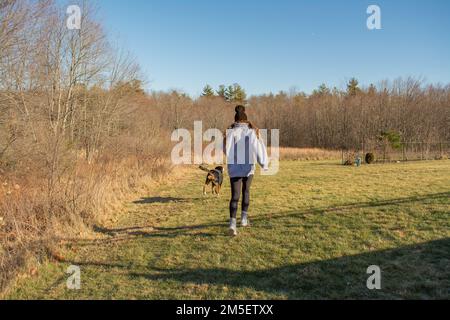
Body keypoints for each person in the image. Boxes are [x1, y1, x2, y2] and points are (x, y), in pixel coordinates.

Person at [224, 105, 269, 236]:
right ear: (245, 119)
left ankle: (232, 224)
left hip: (234, 168)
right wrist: (264, 163)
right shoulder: (252, 132)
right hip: (249, 167)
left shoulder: (230, 132)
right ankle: (243, 219)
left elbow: (225, 150)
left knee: (235, 196)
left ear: (236, 120)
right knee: (246, 191)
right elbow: (259, 148)